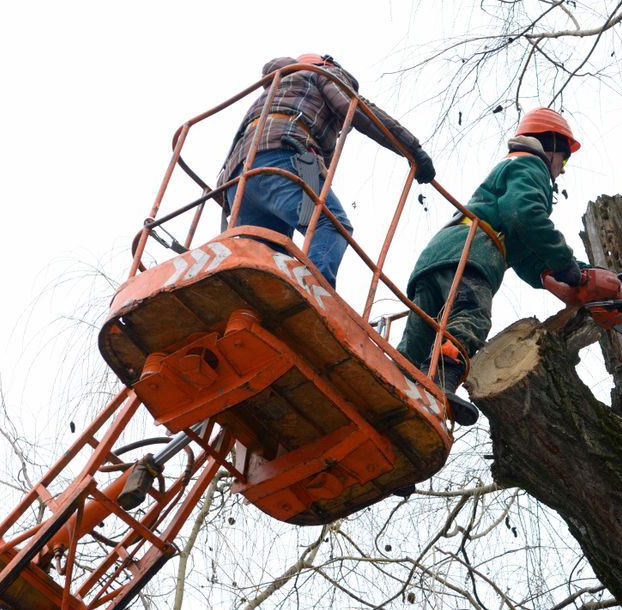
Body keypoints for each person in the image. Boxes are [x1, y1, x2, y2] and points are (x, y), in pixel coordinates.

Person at [397, 108, 585, 426]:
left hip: (438, 257)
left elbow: (525, 255)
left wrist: (567, 275)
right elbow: (524, 215)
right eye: (564, 160)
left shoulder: (509, 170)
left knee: (415, 346)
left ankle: (395, 414)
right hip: (472, 254)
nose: (562, 171)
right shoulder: (531, 164)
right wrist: (565, 263)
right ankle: (440, 384)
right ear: (550, 143)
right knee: (471, 316)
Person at [219, 54, 435, 287]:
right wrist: (412, 150)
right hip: (287, 155)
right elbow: (360, 111)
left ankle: (255, 304)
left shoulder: (275, 91)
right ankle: (312, 293)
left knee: (267, 257)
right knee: (330, 224)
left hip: (238, 181)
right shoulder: (322, 74)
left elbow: (323, 165)